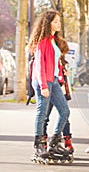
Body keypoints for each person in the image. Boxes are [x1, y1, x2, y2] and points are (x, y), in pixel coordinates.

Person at [28, 10, 71, 158]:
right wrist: (43, 86)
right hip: (43, 81)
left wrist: (62, 71)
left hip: (53, 80)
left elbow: (54, 61)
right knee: (42, 113)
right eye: (56, 21)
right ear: (48, 23)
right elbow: (39, 65)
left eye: (59, 21)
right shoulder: (43, 42)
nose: (59, 24)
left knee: (65, 111)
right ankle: (39, 145)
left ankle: (54, 143)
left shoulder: (54, 40)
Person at [43, 57, 74, 153]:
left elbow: (66, 80)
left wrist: (66, 74)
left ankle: (67, 141)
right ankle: (43, 142)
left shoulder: (63, 63)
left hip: (61, 93)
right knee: (45, 117)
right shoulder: (49, 61)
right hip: (49, 91)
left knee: (64, 116)